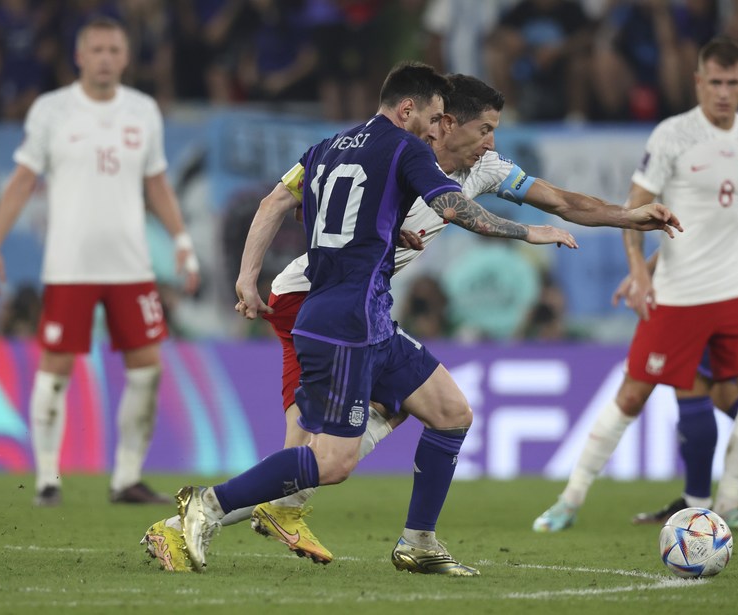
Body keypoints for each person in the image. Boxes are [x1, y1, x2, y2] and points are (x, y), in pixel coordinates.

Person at [141, 70, 682, 573]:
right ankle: (203, 509)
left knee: (448, 412)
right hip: (315, 299)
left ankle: (417, 541)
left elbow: (561, 200)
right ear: (443, 122)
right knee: (320, 459)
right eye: (482, 129)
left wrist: (627, 215)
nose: (491, 142)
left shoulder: (460, 165)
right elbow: (293, 201)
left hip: (368, 308)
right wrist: (524, 232)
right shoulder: (403, 152)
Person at [532, 37, 738, 535]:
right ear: (698, 82)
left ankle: (726, 507)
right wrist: (640, 272)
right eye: (715, 82)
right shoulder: (673, 136)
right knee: (633, 394)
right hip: (681, 293)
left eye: (733, 82)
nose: (723, 92)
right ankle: (569, 499)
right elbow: (633, 209)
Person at [0, 17, 199, 507]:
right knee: (55, 368)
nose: (104, 57)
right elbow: (21, 181)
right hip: (70, 265)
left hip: (131, 265)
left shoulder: (143, 111)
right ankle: (47, 479)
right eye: (96, 49)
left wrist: (182, 240)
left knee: (148, 368)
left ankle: (126, 479)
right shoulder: (51, 110)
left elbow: (157, 183)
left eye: (113, 49)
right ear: (79, 56)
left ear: (125, 57)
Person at [620, 231, 738, 529]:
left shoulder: (734, 187)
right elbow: (693, 229)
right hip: (714, 285)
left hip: (717, 292)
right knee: (724, 392)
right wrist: (645, 269)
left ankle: (703, 502)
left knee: (713, 385)